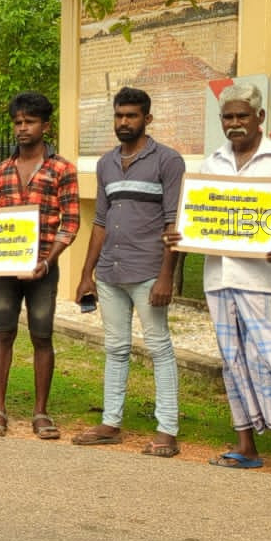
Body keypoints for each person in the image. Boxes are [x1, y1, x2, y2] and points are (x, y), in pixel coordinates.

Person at [168, 81, 271, 479]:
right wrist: (180, 235)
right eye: (228, 117)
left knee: (269, 359)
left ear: (260, 118)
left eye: (242, 115)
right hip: (218, 277)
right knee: (232, 360)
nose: (235, 123)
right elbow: (200, 216)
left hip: (263, 279)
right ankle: (246, 446)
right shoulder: (213, 163)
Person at [72, 87, 186, 457]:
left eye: (131, 116)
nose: (124, 122)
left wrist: (167, 276)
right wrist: (87, 274)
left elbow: (174, 223)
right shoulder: (106, 163)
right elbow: (100, 222)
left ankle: (167, 429)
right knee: (116, 347)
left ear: (146, 119)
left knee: (159, 347)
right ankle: (110, 423)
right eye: (119, 115)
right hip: (110, 272)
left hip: (149, 271)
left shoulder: (168, 161)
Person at [0, 91, 79, 439]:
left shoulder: (62, 170)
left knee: (42, 336)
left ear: (45, 126)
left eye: (30, 121)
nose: (22, 128)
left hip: (42, 268)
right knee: (3, 332)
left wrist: (48, 262)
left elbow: (70, 222)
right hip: (6, 269)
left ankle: (41, 412)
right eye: (18, 122)